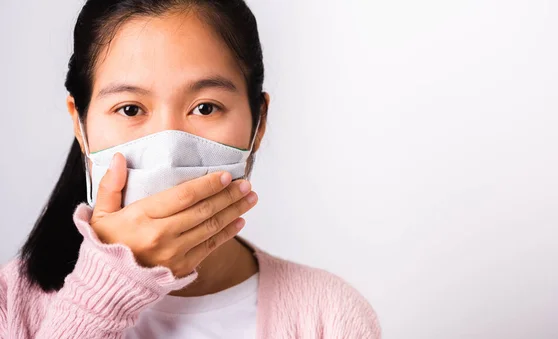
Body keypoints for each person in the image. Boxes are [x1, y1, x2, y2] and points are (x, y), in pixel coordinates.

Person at [0, 0, 381, 338]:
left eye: (206, 107)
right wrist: (105, 294)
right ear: (80, 126)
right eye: (130, 109)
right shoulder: (10, 303)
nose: (169, 151)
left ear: (258, 123)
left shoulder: (330, 316)